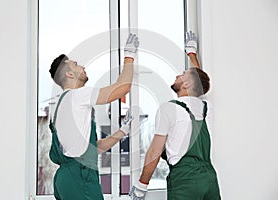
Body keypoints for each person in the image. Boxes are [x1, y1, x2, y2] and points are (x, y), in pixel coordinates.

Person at [129, 31, 221, 200]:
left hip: (185, 181)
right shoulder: (205, 107)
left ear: (187, 84)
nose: (177, 75)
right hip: (209, 179)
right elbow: (198, 81)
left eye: (182, 74)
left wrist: (142, 185)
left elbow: (154, 152)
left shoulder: (169, 109)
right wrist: (191, 53)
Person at [48, 33, 139, 200]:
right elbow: (122, 88)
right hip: (80, 178)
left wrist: (122, 131)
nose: (82, 66)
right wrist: (129, 56)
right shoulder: (78, 95)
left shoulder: (61, 105)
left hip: (65, 180)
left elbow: (91, 149)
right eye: (75, 65)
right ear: (69, 74)